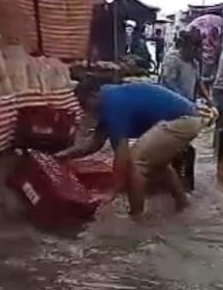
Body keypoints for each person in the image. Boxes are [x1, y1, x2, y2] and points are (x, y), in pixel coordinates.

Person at [56, 81, 202, 217]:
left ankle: (136, 217)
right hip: (188, 118)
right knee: (156, 162)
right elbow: (94, 144)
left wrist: (114, 190)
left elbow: (121, 152)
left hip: (183, 119)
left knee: (136, 162)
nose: (83, 109)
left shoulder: (111, 103)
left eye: (83, 103)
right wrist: (64, 155)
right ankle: (183, 204)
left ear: (94, 95)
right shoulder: (109, 101)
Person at [159, 29, 208, 101]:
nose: (197, 50)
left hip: (187, 102)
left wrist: (210, 101)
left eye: (199, 47)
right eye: (194, 46)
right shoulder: (173, 59)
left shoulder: (194, 63)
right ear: (185, 45)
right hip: (171, 102)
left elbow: (199, 82)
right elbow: (169, 83)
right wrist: (184, 100)